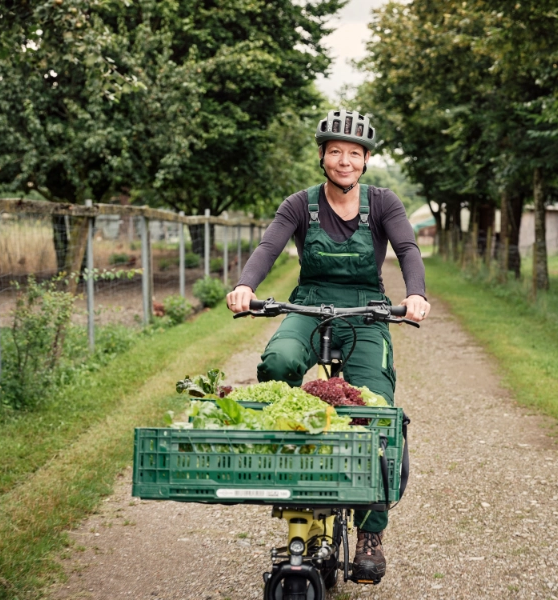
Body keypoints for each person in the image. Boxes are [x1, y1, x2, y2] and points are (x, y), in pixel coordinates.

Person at [226, 108, 429, 582]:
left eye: (353, 154)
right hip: (310, 305)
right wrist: (245, 286)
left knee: (377, 408)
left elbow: (407, 251)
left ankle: (370, 534)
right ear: (322, 157)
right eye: (335, 151)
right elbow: (268, 248)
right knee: (279, 361)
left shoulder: (384, 203)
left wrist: (415, 293)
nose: (344, 161)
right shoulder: (300, 204)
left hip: (368, 310)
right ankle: (289, 475)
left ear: (365, 161)